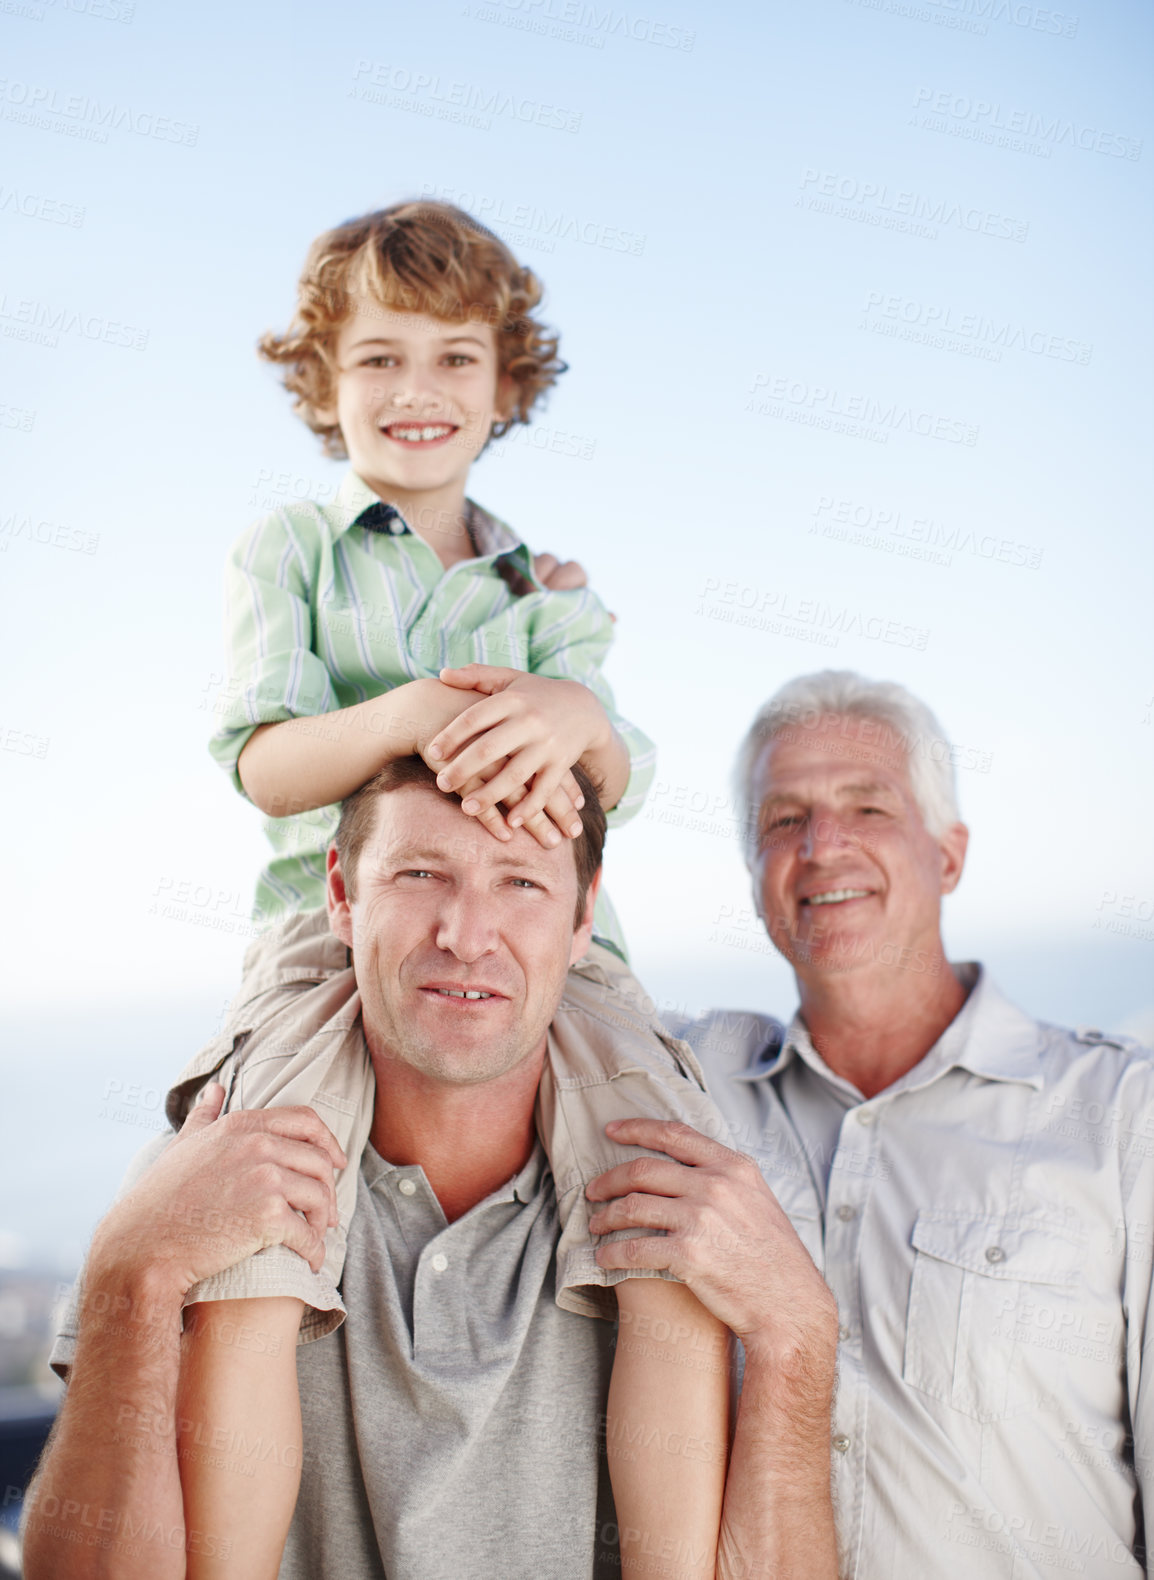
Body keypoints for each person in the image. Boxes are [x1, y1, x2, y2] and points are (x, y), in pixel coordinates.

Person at [149, 199, 744, 1559]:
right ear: (323, 383)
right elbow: (262, 765)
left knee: (659, 1207)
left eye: (454, 359)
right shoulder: (289, 550)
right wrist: (408, 712)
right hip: (329, 936)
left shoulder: (546, 591)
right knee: (259, 1218)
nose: (416, 392)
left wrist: (567, 712)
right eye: (377, 359)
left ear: (504, 383)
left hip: (559, 959)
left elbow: (618, 773)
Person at [25, 759, 840, 1579]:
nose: (466, 934)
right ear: (342, 897)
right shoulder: (205, 1183)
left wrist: (801, 1335)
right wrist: (130, 1275)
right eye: (420, 873)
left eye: (520, 882)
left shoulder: (697, 1207)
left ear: (583, 916)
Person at [675, 669, 1154, 1578]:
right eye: (784, 820)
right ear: (753, 874)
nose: (822, 845)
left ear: (950, 855)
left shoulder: (1121, 1116)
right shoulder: (693, 1090)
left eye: (868, 809)